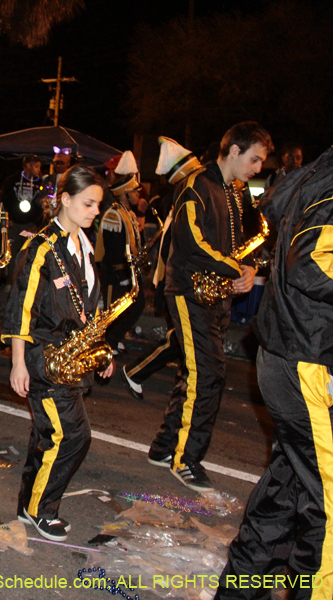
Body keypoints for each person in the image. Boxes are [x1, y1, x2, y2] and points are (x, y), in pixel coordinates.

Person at [215, 146, 333, 600]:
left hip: (291, 353)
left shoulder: (315, 177)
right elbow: (312, 261)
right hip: (307, 357)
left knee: (286, 490)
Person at [148, 122, 270, 492]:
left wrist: (245, 270)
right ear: (233, 150)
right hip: (188, 291)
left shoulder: (234, 191)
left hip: (215, 294)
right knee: (209, 374)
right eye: (254, 159)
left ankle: (164, 447)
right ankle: (185, 459)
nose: (258, 168)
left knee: (196, 373)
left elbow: (231, 245)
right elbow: (191, 242)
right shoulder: (197, 184)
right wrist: (235, 267)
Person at [3, 165, 112, 542]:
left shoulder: (82, 243)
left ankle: (28, 505)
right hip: (44, 359)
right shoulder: (41, 246)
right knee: (72, 437)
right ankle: (40, 510)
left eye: (98, 204)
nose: (95, 211)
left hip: (71, 360)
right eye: (89, 203)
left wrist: (102, 350)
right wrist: (18, 362)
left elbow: (90, 304)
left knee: (47, 435)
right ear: (64, 200)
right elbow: (22, 305)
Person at [121, 136, 202, 400]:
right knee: (180, 338)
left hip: (179, 279)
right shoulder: (185, 199)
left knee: (183, 339)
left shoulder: (186, 197)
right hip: (179, 280)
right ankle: (136, 370)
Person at [95, 151, 145, 354]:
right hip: (116, 274)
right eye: (134, 192)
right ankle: (108, 342)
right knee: (113, 310)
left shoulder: (129, 214)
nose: (138, 195)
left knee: (136, 305)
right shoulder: (114, 215)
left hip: (129, 272)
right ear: (124, 193)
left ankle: (115, 337)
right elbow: (113, 249)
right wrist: (121, 274)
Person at [2, 155, 48, 278]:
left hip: (30, 226)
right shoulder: (12, 180)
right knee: (13, 253)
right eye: (36, 166)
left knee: (30, 253)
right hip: (15, 225)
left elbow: (43, 205)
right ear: (28, 165)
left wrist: (37, 224)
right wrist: (8, 219)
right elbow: (5, 201)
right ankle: (12, 281)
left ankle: (28, 281)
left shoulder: (41, 182)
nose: (39, 169)